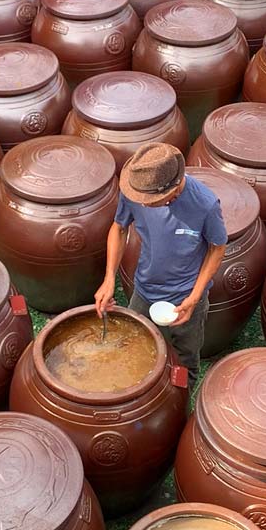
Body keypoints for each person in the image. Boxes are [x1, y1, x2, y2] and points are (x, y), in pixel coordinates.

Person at [94, 143, 227, 382]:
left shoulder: (205, 204)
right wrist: (109, 278)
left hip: (186, 295)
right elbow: (119, 228)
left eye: (148, 201)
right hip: (144, 288)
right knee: (135, 342)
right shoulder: (136, 189)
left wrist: (194, 297)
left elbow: (217, 248)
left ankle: (184, 392)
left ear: (171, 193)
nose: (142, 203)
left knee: (185, 356)